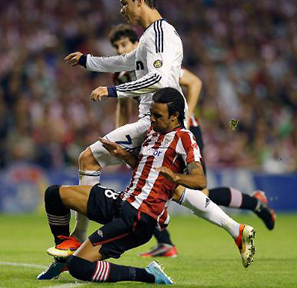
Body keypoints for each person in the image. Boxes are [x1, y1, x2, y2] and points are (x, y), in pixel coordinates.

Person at [56, 0, 257, 265]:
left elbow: (160, 79)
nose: (121, 10)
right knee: (173, 188)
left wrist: (113, 91)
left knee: (88, 158)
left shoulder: (161, 33)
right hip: (157, 122)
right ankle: (237, 229)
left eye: (124, 4)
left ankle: (77, 236)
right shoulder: (150, 37)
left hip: (157, 123)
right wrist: (88, 61)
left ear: (140, 1)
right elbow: (124, 62)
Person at [37, 88, 256, 284]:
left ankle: (148, 275)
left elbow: (200, 180)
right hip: (123, 201)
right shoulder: (152, 133)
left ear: (174, 116)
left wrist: (175, 177)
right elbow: (143, 168)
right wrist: (123, 155)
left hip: (139, 218)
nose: (151, 119)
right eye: (150, 113)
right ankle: (65, 250)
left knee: (80, 267)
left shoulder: (184, 138)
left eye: (157, 115)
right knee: (55, 194)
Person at [108, 24, 276, 258]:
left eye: (124, 44)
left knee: (196, 191)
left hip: (183, 129)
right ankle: (166, 243)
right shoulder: (121, 74)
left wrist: (185, 118)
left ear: (137, 44)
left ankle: (254, 203)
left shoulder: (155, 61)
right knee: (150, 184)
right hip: (157, 132)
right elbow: (124, 105)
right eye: (116, 47)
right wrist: (122, 135)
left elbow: (195, 82)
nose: (119, 50)